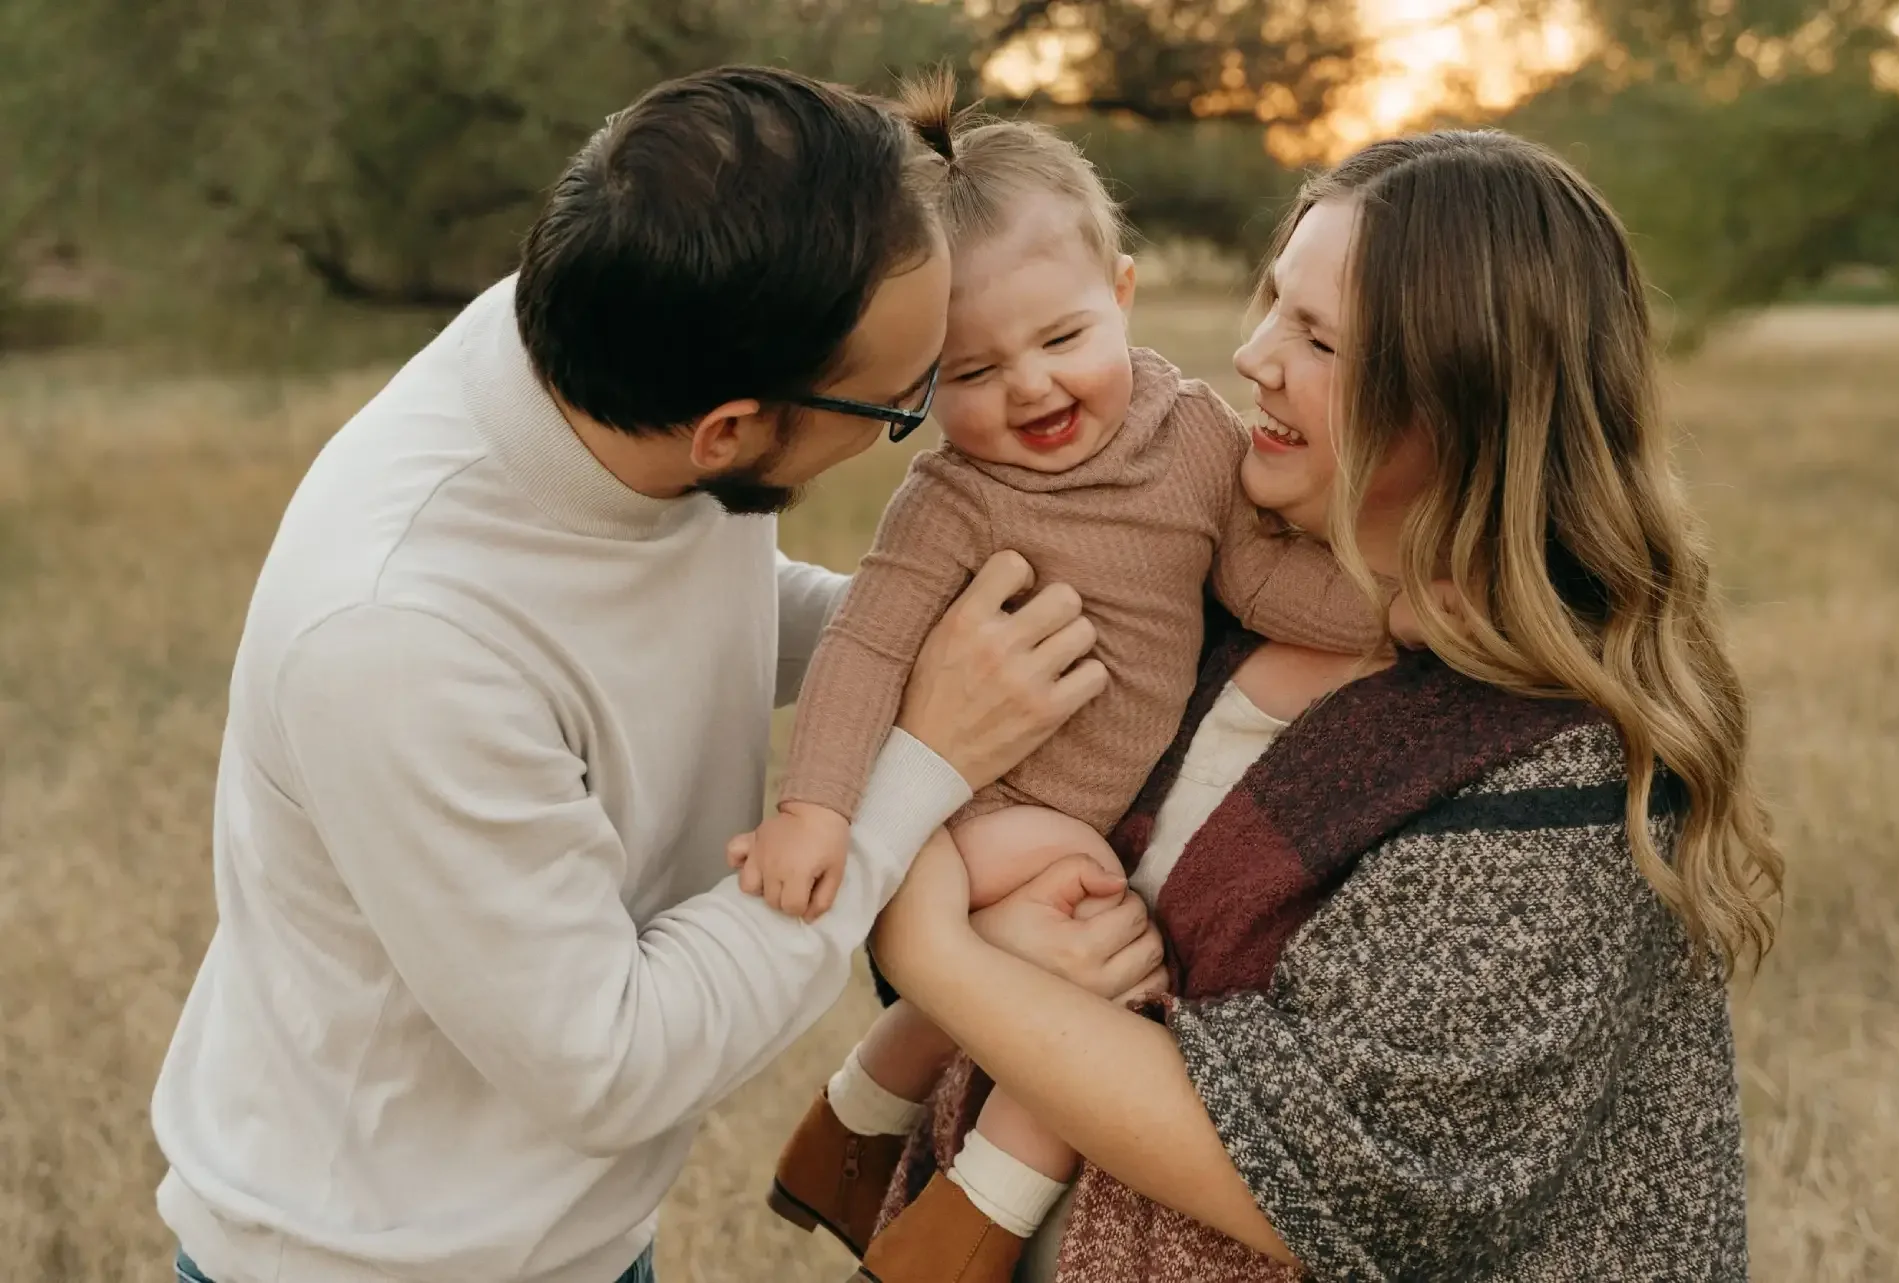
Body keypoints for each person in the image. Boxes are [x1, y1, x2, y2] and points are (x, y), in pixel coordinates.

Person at [147, 65, 1158, 1283]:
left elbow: (698, 611)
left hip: (581, 1240)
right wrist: (923, 759)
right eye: (905, 405)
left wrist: (929, 642)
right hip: (386, 1258)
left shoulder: (631, 345)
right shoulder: (398, 645)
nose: (935, 410)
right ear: (728, 433)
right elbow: (610, 1063)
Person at [863, 129, 1784, 1282]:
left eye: (1317, 337)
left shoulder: (1557, 762)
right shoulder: (1203, 603)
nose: (1253, 356)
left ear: (1458, 395)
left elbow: (1324, 1173)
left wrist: (936, 948)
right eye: (1271, 306)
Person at [736, 75, 1421, 1282]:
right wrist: (815, 806)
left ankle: (854, 1121)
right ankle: (963, 1231)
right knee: (1110, 950)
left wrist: (1399, 615)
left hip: (1062, 807)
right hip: (985, 809)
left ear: (1121, 296)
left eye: (1061, 340)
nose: (1033, 388)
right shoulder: (952, 498)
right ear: (917, 382)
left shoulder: (1193, 431)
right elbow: (865, 647)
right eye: (974, 371)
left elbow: (1258, 583)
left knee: (1046, 951)